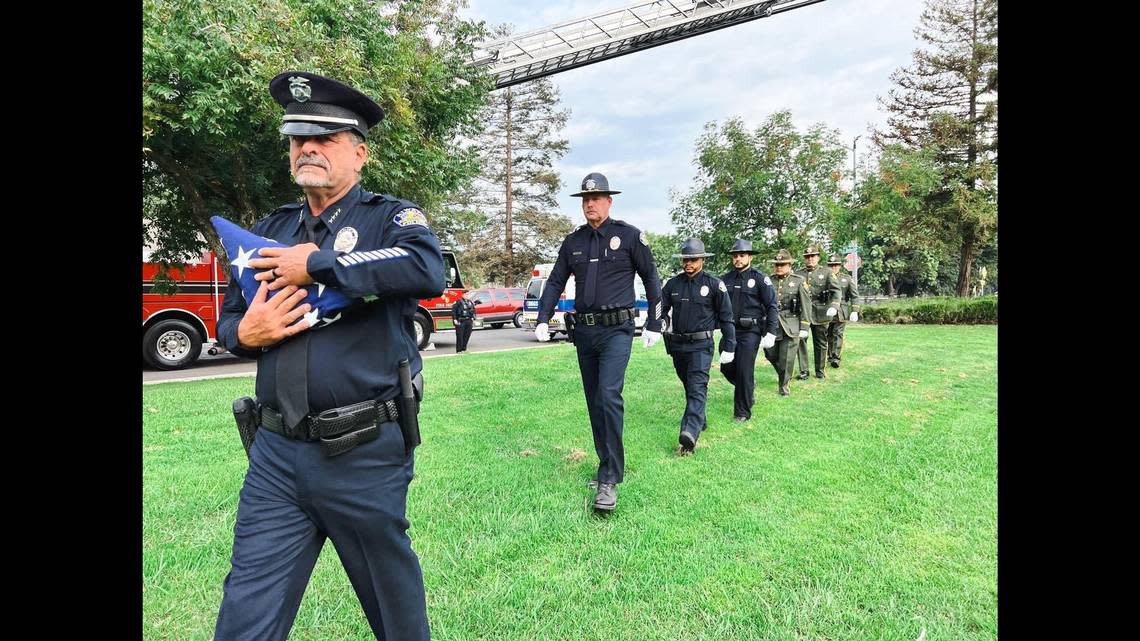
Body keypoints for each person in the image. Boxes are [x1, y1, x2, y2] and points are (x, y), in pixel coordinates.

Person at [212, 71, 439, 641]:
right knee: (245, 612)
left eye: (326, 137)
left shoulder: (391, 219)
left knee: (394, 610)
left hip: (361, 453)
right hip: (275, 455)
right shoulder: (268, 232)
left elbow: (424, 270)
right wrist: (248, 334)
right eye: (298, 138)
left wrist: (316, 265)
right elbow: (232, 321)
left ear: (359, 153)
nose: (308, 147)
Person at [534, 172, 664, 512]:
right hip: (585, 333)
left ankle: (609, 479)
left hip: (617, 331)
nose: (590, 203)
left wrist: (655, 321)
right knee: (594, 401)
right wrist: (542, 318)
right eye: (585, 199)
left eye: (597, 198)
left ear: (609, 201)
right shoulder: (573, 242)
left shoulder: (629, 236)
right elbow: (555, 281)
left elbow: (652, 278)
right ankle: (606, 464)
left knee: (608, 395)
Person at [660, 238, 736, 453]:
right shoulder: (673, 284)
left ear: (702, 259)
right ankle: (699, 418)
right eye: (685, 259)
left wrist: (729, 345)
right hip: (678, 345)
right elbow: (662, 310)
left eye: (692, 259)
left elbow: (727, 317)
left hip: (701, 345)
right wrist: (659, 324)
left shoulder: (714, 285)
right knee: (688, 384)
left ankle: (689, 433)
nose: (688, 264)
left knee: (697, 387)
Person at [719, 239, 779, 422]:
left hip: (750, 332)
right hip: (730, 332)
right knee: (726, 367)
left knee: (744, 369)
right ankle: (748, 386)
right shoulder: (725, 280)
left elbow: (772, 306)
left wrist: (771, 331)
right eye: (735, 256)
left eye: (742, 255)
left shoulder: (760, 279)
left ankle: (742, 412)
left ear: (750, 257)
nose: (738, 259)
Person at [764, 249, 813, 396]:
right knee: (770, 354)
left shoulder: (798, 281)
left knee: (787, 357)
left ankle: (784, 386)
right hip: (772, 323)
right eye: (777, 264)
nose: (779, 267)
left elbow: (806, 304)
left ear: (789, 265)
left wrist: (804, 325)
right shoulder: (768, 280)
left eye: (782, 264)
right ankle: (784, 373)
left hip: (791, 324)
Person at [794, 244, 840, 380]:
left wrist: (834, 305)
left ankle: (820, 370)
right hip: (803, 313)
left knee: (820, 342)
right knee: (801, 341)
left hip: (821, 312)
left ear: (818, 257)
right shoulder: (798, 273)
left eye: (812, 256)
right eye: (807, 257)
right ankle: (804, 371)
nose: (810, 259)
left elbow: (836, 291)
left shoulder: (827, 272)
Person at [826, 254, 859, 368]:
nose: (833, 267)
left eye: (835, 265)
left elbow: (854, 295)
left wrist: (855, 310)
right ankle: (830, 355)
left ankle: (836, 357)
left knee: (838, 333)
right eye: (831, 265)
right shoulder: (824, 278)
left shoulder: (846, 278)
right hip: (827, 309)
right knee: (828, 334)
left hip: (841, 310)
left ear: (840, 266)